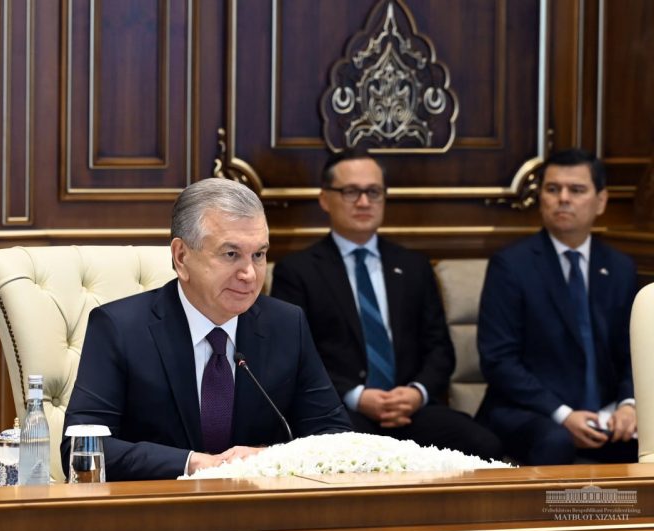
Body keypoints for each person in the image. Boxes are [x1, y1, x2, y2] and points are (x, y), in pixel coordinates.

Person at [61, 178, 351, 481]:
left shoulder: (287, 325)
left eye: (258, 255)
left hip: (257, 505)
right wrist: (192, 464)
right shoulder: (120, 328)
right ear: (181, 257)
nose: (250, 274)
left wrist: (268, 457)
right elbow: (80, 448)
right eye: (231, 254)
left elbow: (337, 437)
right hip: (158, 505)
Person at [270, 149, 502, 460]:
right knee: (345, 456)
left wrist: (417, 392)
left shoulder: (414, 266)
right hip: (342, 410)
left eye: (374, 192)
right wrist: (357, 396)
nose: (364, 202)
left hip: (411, 410)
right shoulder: (297, 271)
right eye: (351, 191)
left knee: (484, 445)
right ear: (325, 199)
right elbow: (294, 357)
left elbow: (440, 350)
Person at [477, 148, 638, 465]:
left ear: (601, 201)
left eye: (576, 190)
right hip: (531, 410)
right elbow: (498, 360)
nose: (563, 198)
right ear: (541, 198)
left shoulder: (620, 268)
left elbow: (634, 352)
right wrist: (563, 414)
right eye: (553, 189)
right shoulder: (511, 265)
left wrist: (628, 404)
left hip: (604, 413)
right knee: (555, 441)